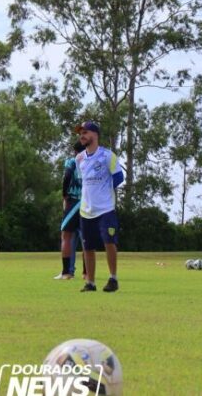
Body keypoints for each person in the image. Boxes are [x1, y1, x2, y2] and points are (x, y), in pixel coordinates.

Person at [75, 121, 124, 292]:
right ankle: (91, 282)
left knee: (109, 242)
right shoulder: (79, 158)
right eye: (80, 132)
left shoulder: (108, 155)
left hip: (105, 210)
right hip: (86, 211)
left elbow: (119, 177)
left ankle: (113, 279)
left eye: (85, 132)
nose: (82, 135)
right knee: (87, 247)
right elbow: (83, 181)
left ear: (95, 135)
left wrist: (104, 191)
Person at [56, 141, 85, 280]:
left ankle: (67, 272)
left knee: (66, 235)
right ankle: (87, 273)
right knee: (86, 238)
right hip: (88, 202)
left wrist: (64, 194)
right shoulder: (91, 162)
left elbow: (67, 176)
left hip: (74, 201)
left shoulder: (72, 161)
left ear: (74, 151)